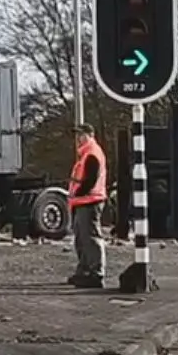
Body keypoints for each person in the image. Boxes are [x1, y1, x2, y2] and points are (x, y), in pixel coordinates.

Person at [67, 123, 108, 288]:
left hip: (89, 201)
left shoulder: (92, 153)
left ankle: (95, 273)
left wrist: (79, 192)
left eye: (81, 135)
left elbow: (91, 178)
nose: (78, 138)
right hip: (82, 202)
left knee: (90, 238)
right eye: (77, 135)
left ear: (90, 135)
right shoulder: (86, 154)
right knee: (82, 239)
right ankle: (84, 271)